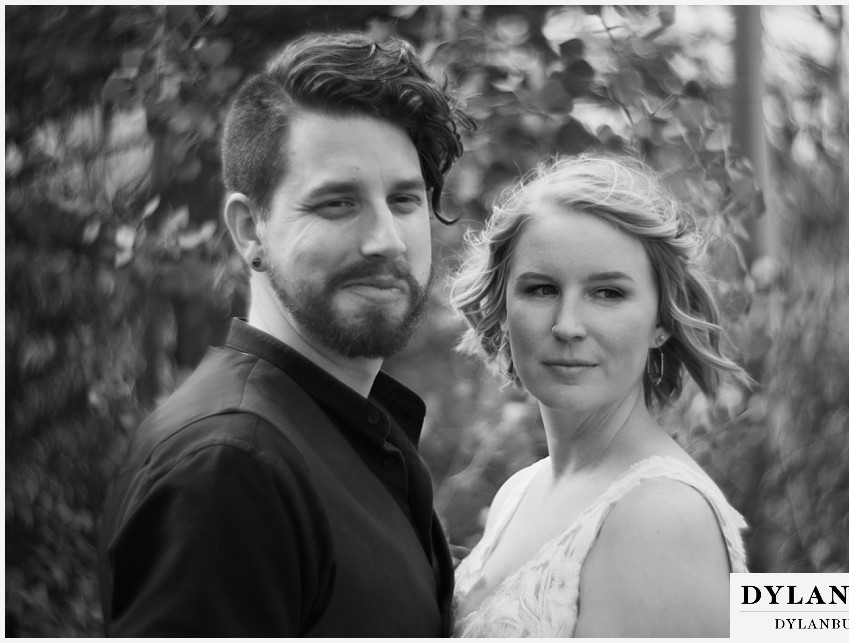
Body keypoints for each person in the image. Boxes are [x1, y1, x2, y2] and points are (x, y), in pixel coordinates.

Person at [98, 31, 472, 636]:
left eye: (404, 200)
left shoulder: (335, 430)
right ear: (250, 229)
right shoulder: (229, 468)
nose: (387, 239)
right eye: (337, 204)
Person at [448, 154, 750, 637]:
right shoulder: (518, 493)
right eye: (542, 289)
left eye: (607, 293)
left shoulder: (661, 516)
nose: (568, 325)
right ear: (504, 309)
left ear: (660, 322)